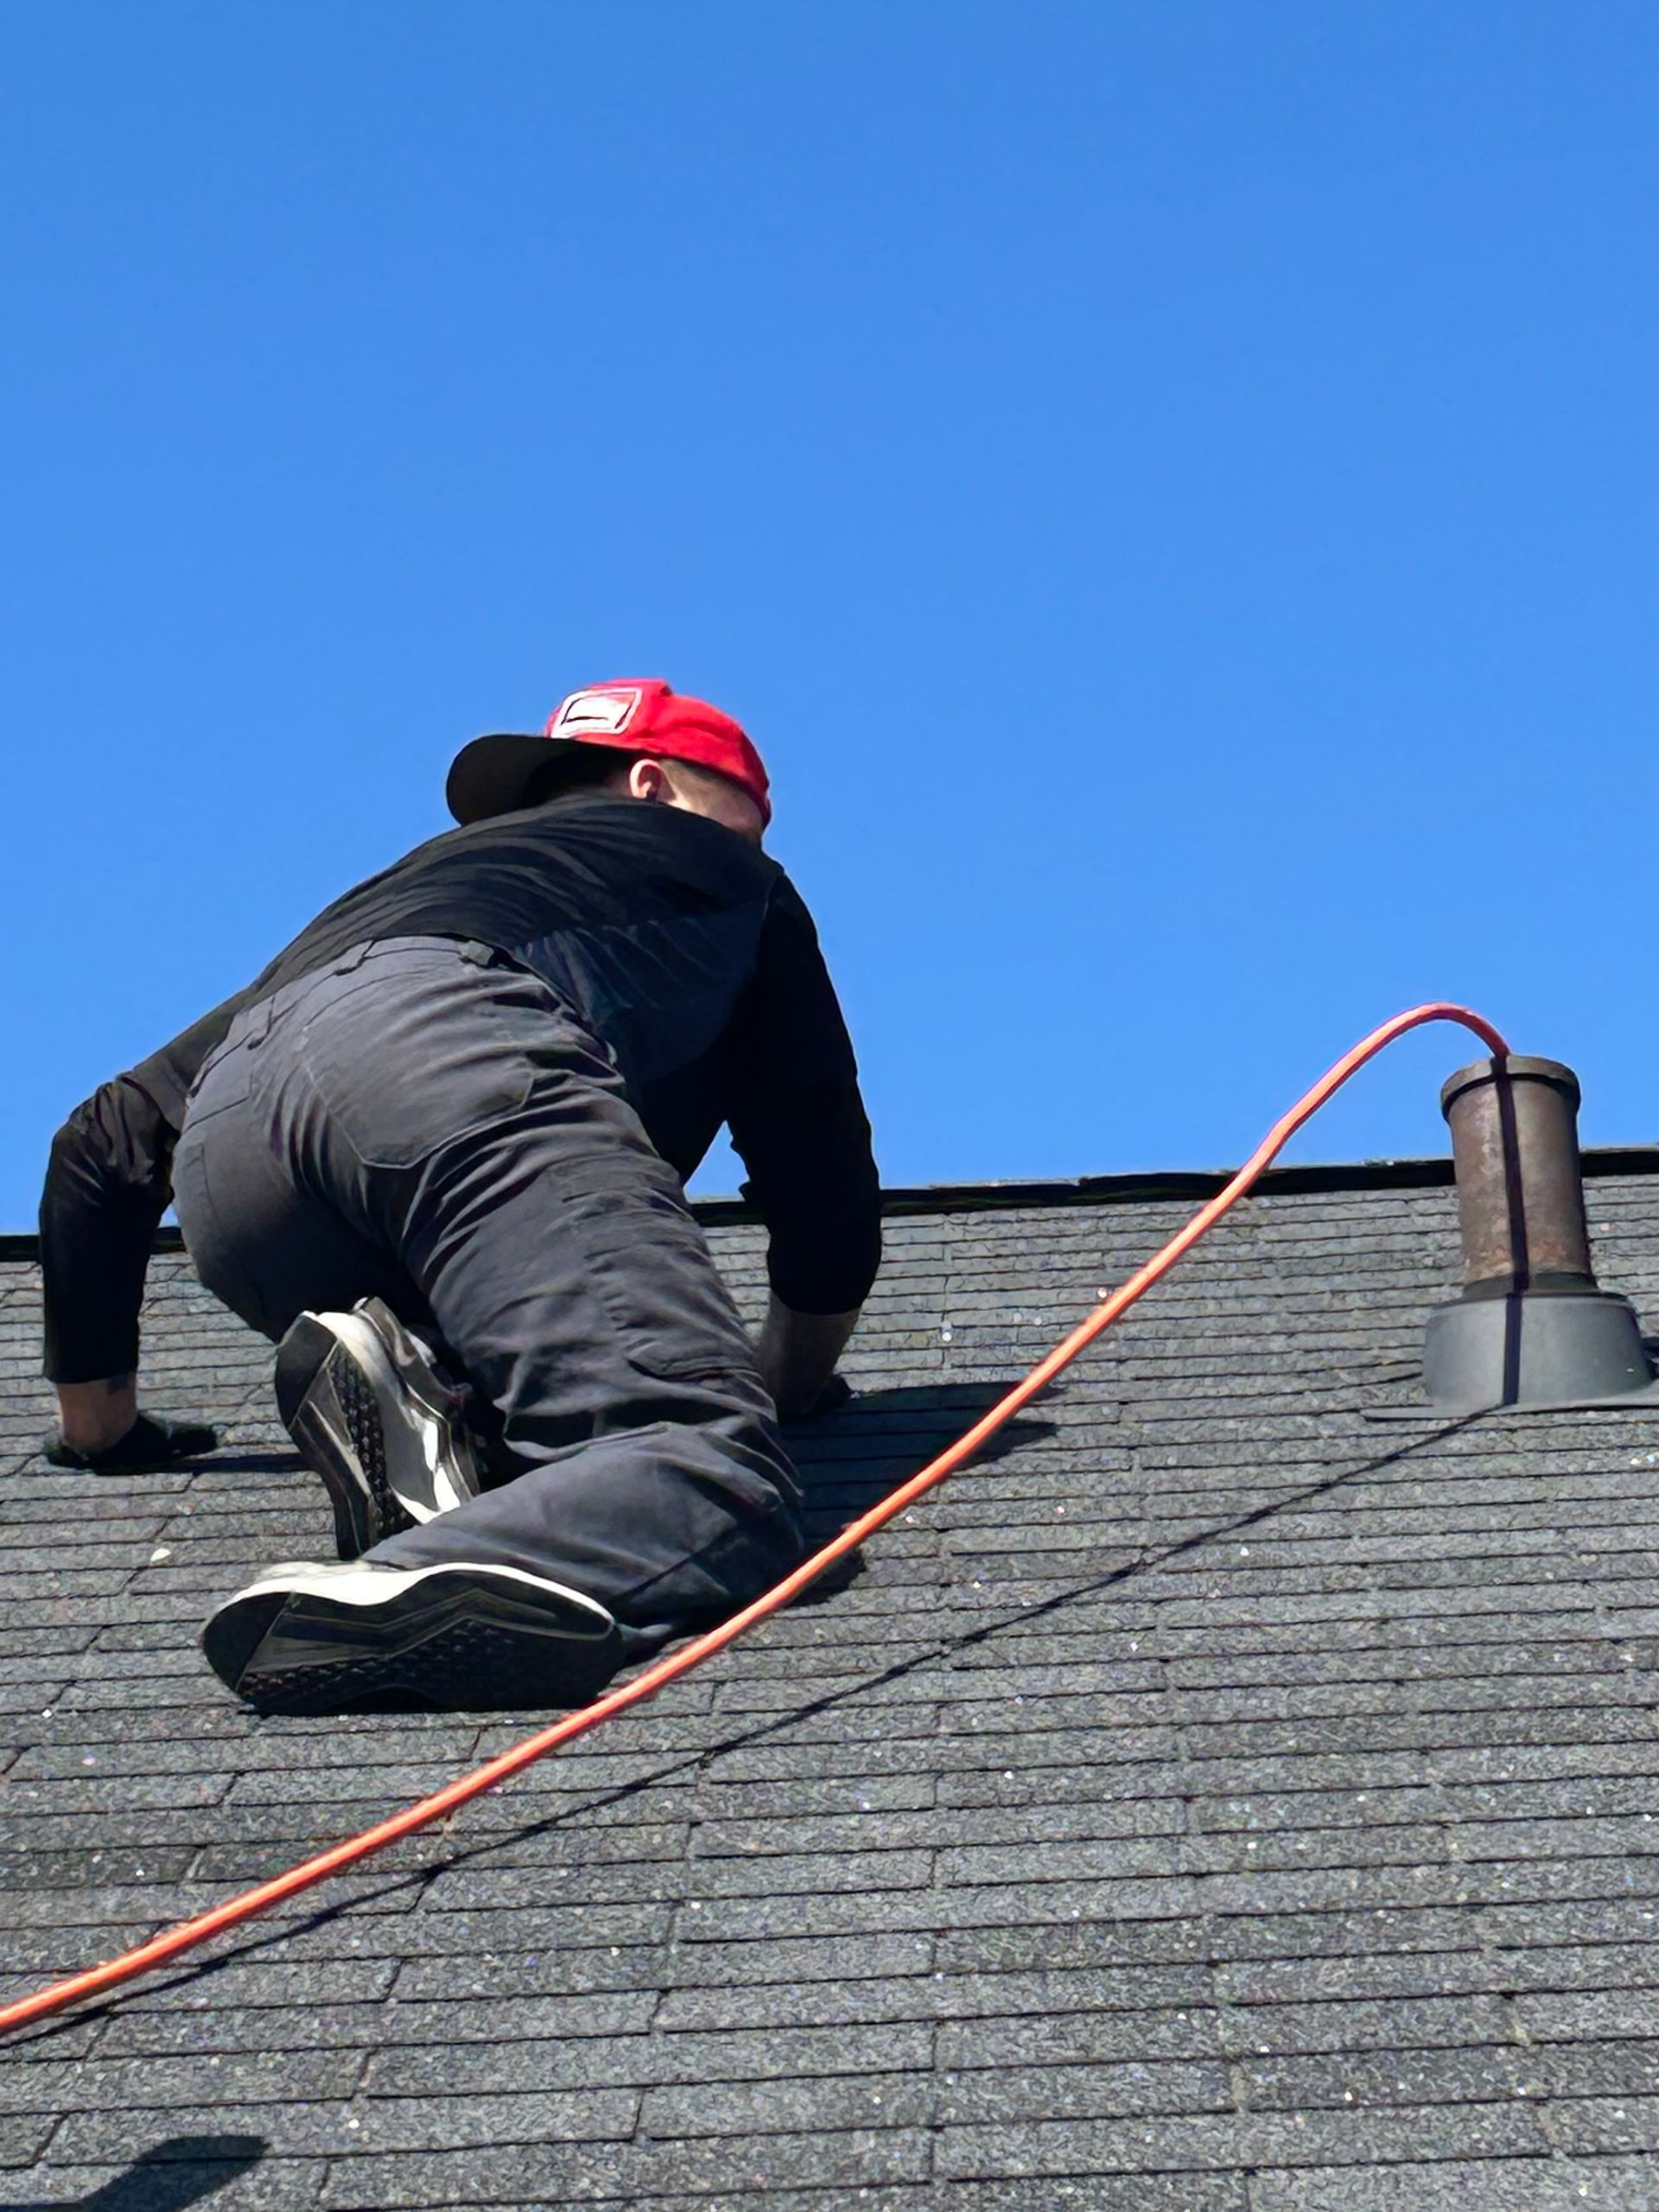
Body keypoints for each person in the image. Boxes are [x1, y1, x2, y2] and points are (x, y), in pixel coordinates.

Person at [39, 680, 880, 1714]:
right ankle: (395, 1585)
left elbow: (101, 1143)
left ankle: (427, 1397)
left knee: (524, 1356)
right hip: (445, 1058)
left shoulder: (395, 901)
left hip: (235, 1158)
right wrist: (778, 1391)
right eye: (751, 816)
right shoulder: (732, 876)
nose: (756, 842)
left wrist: (104, 1433)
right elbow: (820, 1176)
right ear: (657, 787)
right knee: (707, 1471)